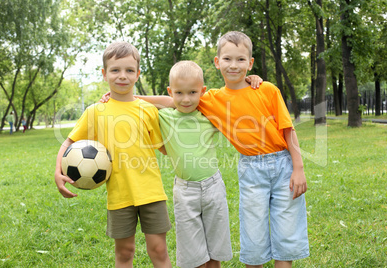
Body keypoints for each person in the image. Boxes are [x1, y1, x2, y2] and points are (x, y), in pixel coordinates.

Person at [127, 31, 310, 267]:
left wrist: (298, 167)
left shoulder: (267, 89)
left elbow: (288, 129)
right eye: (227, 59)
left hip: (283, 164)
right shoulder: (210, 98)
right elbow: (172, 100)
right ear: (217, 62)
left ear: (250, 63)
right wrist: (130, 96)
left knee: (285, 232)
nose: (233, 65)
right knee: (253, 232)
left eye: (240, 60)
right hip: (251, 168)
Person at [54, 41, 172, 268]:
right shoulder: (95, 111)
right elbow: (69, 142)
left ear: (138, 74)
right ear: (104, 74)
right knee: (124, 253)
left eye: (129, 70)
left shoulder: (148, 111)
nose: (122, 76)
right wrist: (58, 172)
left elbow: (164, 146)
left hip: (152, 193)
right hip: (119, 196)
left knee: (159, 250)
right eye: (115, 70)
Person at [159, 61, 232, 268]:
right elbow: (142, 105)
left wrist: (252, 79)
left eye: (192, 92)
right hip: (185, 192)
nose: (186, 99)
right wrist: (135, 97)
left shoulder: (209, 116)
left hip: (213, 187)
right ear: (170, 92)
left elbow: (235, 97)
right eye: (179, 93)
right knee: (194, 255)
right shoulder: (164, 117)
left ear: (203, 91)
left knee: (214, 252)